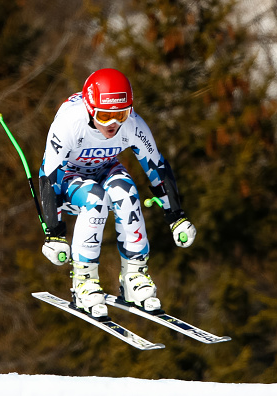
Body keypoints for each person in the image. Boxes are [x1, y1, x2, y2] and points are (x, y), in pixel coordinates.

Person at [39, 68, 196, 318]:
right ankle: (84, 281)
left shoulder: (132, 124)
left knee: (126, 192)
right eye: (103, 115)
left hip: (105, 168)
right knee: (95, 199)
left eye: (120, 114)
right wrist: (54, 233)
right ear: (90, 110)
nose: (112, 124)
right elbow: (48, 177)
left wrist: (176, 216)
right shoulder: (69, 123)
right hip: (68, 177)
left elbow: (157, 167)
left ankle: (135, 275)